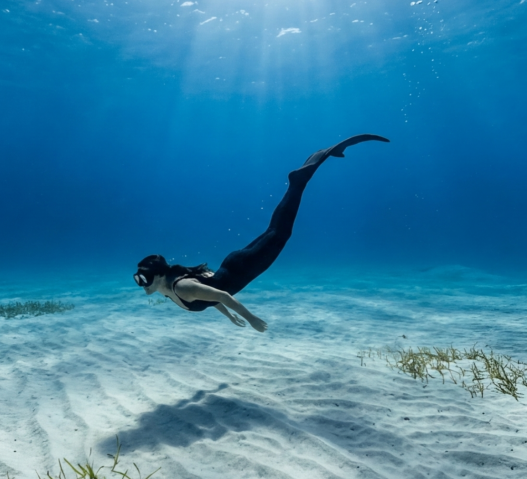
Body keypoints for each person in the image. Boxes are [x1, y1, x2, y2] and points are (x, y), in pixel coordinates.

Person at [134, 134, 389, 331]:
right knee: (275, 231)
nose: (141, 284)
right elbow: (211, 296)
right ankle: (301, 177)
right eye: (139, 279)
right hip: (235, 264)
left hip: (243, 267)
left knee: (280, 232)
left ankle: (298, 181)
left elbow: (222, 294)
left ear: (159, 275)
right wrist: (229, 317)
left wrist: (251, 318)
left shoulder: (182, 287)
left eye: (143, 279)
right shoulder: (166, 288)